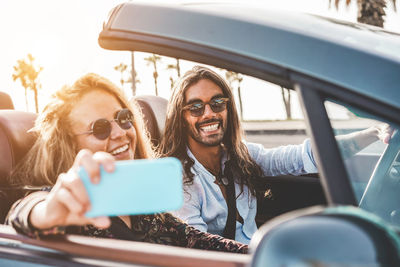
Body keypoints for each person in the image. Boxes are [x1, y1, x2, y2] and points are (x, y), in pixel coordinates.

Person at [6, 73, 248, 253]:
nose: (121, 132)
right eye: (99, 128)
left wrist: (259, 254)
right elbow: (24, 214)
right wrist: (46, 212)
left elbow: (198, 241)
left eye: (124, 118)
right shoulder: (70, 205)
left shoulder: (141, 204)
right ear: (69, 145)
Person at [159, 65, 393, 244]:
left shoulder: (240, 156)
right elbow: (200, 247)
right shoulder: (177, 179)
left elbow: (302, 156)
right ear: (181, 117)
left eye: (218, 102)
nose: (209, 113)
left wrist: (372, 134)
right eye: (196, 108)